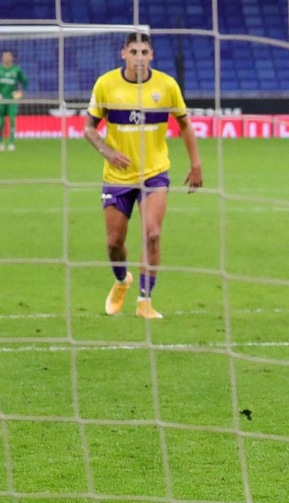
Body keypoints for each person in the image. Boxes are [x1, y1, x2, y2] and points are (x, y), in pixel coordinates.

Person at [83, 32, 202, 320]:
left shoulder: (167, 85)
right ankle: (122, 280)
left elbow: (185, 124)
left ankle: (145, 300)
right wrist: (106, 151)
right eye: (133, 51)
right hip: (118, 176)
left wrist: (195, 164)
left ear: (151, 55)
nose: (138, 57)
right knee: (113, 242)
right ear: (123, 53)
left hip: (155, 173)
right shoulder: (106, 84)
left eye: (144, 52)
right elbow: (89, 128)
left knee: (152, 233)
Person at [0, 50, 27, 151]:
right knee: (1, 122)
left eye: (8, 56)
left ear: (11, 58)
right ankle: (0, 142)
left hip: (12, 100)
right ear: (2, 58)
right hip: (1, 100)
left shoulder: (16, 70)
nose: (6, 58)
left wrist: (20, 92)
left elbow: (25, 82)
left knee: (12, 119)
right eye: (5, 56)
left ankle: (11, 143)